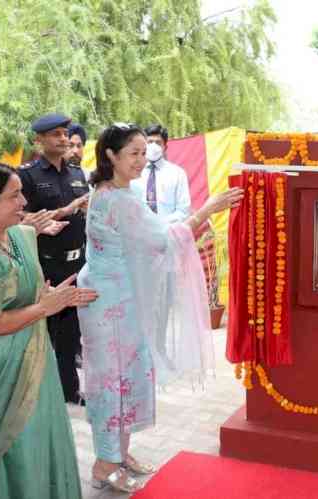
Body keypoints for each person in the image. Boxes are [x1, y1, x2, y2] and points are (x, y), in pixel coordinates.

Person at [78, 123, 243, 493]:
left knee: (128, 376)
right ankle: (105, 462)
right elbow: (163, 239)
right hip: (111, 306)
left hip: (122, 300)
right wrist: (209, 208)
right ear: (110, 156)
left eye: (145, 152)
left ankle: (119, 452)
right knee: (111, 383)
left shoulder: (120, 192)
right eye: (134, 153)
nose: (143, 160)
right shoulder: (116, 199)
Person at [0, 161, 97, 499]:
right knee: (17, 449)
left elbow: (19, 296)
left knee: (39, 443)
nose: (23, 202)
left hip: (33, 362)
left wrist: (51, 297)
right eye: (15, 195)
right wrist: (45, 307)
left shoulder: (15, 237)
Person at [18, 113, 91, 404]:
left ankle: (69, 391)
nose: (63, 139)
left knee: (71, 333)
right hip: (46, 261)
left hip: (77, 262)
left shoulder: (77, 174)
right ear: (39, 140)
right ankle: (40, 393)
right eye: (55, 135)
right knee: (45, 330)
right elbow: (19, 215)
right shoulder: (27, 175)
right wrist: (67, 210)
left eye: (65, 133)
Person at [130, 124, 191, 223]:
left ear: (165, 147)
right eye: (149, 142)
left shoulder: (177, 174)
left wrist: (159, 225)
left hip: (168, 232)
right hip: (136, 232)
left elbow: (183, 211)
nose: (153, 146)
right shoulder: (132, 171)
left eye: (158, 143)